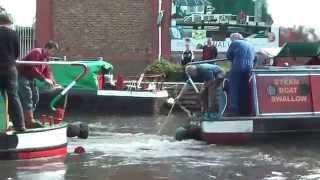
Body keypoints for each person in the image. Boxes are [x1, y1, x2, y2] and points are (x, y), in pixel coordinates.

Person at [18, 41, 59, 128]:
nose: (52, 54)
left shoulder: (46, 58)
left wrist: (52, 80)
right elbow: (32, 68)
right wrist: (44, 79)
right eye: (52, 51)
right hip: (22, 75)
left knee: (35, 97)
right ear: (47, 48)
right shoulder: (36, 52)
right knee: (27, 96)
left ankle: (27, 118)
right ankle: (29, 120)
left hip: (31, 78)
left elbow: (47, 70)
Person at [0, 13, 26, 132]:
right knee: (13, 97)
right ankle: (20, 126)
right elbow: (16, 53)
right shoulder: (14, 34)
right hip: (10, 69)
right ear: (9, 22)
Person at [226, 33, 255, 115]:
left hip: (237, 67)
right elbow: (255, 58)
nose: (231, 41)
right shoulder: (251, 45)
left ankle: (234, 110)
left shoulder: (235, 43)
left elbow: (228, 56)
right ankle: (244, 110)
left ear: (235, 38)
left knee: (234, 88)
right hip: (249, 69)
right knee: (244, 89)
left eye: (231, 39)